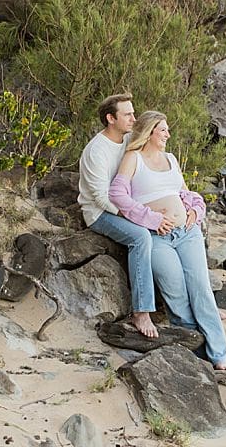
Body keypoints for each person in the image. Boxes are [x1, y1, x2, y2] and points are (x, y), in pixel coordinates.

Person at [109, 111, 226, 369]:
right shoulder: (133, 158)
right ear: (150, 131)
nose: (168, 134)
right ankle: (196, 350)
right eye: (163, 129)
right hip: (158, 236)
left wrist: (196, 210)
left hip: (187, 232)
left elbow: (185, 193)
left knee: (200, 287)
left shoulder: (171, 159)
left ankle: (219, 354)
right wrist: (151, 218)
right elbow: (117, 194)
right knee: (175, 292)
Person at [77, 94, 158, 338]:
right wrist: (136, 215)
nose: (134, 119)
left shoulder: (129, 140)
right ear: (111, 119)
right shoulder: (96, 151)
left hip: (129, 203)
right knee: (141, 237)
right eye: (128, 114)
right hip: (100, 213)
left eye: (133, 113)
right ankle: (141, 312)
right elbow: (101, 198)